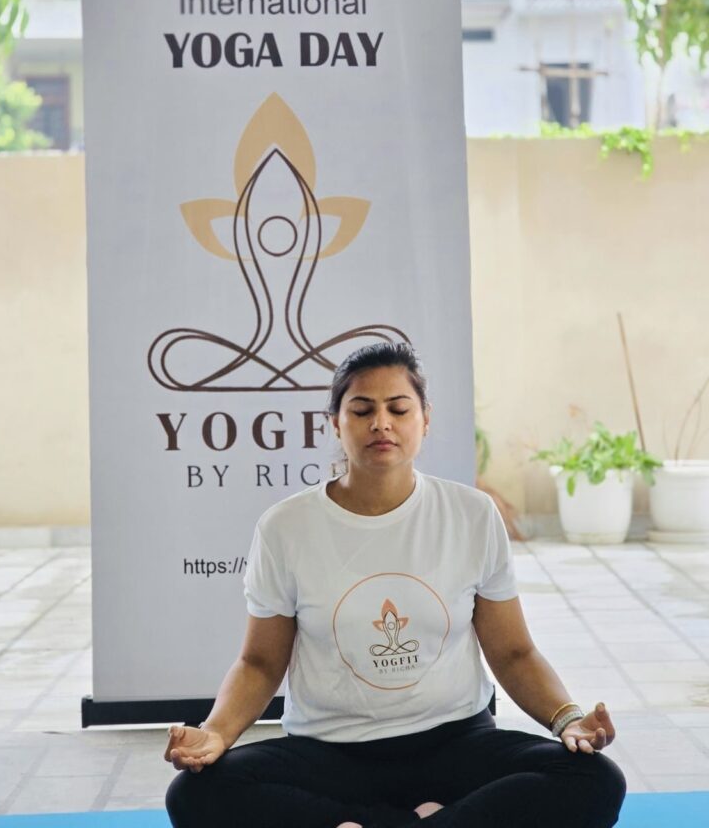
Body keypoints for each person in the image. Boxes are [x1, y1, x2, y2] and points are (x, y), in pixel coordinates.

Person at [164, 342, 626, 828]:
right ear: (335, 424)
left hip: (455, 743)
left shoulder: (471, 514)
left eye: (398, 409)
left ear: (424, 420)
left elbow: (513, 652)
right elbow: (259, 663)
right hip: (330, 751)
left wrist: (567, 719)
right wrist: (216, 733)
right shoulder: (286, 527)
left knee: (595, 780)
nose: (381, 423)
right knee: (197, 794)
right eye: (362, 410)